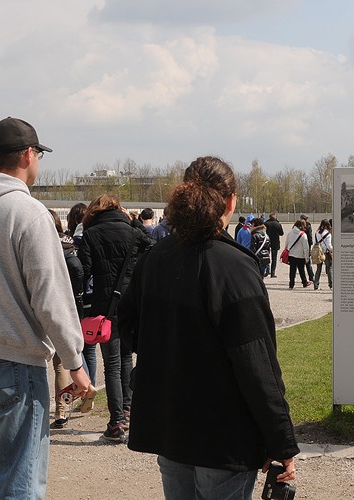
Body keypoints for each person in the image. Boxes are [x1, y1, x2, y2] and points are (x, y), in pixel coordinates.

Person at [117, 156, 298, 499]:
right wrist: (281, 443)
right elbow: (257, 365)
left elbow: (127, 322)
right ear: (231, 201)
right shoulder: (235, 269)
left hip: (172, 424)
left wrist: (167, 346)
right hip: (222, 435)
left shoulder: (156, 259)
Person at [0, 117, 90, 498]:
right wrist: (75, 362)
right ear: (29, 155)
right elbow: (51, 298)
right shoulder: (29, 213)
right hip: (14, 363)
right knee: (19, 483)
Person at [78, 194, 154, 442]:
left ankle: (116, 421)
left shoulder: (91, 234)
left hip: (105, 306)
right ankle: (128, 410)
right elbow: (152, 248)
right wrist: (135, 224)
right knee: (125, 359)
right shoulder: (132, 231)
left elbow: (85, 272)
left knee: (111, 364)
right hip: (132, 304)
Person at [49, 209, 97, 427]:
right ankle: (62, 410)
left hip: (46, 309)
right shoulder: (71, 246)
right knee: (64, 361)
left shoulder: (46, 247)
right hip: (70, 309)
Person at [285, 219, 311, 289]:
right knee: (301, 270)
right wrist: (307, 258)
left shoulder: (290, 233)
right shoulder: (303, 235)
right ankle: (304, 282)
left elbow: (286, 244)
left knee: (292, 270)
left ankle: (291, 284)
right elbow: (306, 248)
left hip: (291, 254)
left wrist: (287, 251)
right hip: (300, 255)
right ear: (301, 226)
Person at [313, 219, 333, 290]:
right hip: (326, 253)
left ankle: (316, 284)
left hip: (318, 252)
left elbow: (315, 242)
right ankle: (331, 284)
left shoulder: (317, 233)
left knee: (318, 269)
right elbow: (329, 246)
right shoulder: (328, 234)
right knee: (329, 268)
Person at [264, 212, 284, 278]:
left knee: (265, 256)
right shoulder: (277, 224)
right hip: (275, 243)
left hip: (267, 242)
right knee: (274, 259)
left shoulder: (266, 224)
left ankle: (267, 270)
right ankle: (272, 273)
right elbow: (281, 233)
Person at [300, 214, 315, 282]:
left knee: (301, 263)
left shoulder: (298, 226)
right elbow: (310, 236)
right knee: (308, 262)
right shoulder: (308, 226)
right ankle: (311, 276)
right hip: (307, 245)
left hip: (299, 245)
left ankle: (305, 278)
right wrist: (310, 243)